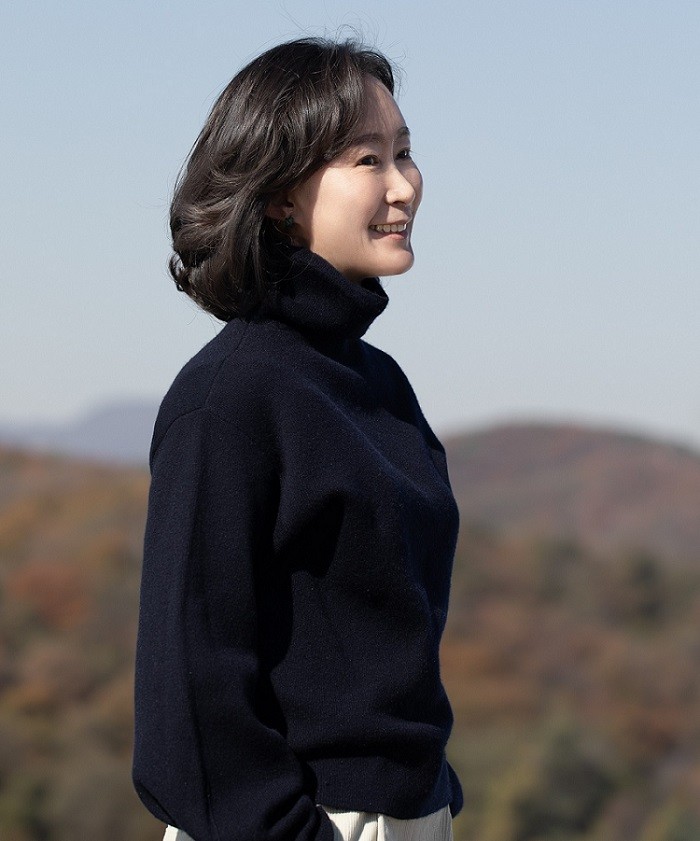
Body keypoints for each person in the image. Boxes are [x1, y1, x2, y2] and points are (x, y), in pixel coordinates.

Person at [132, 36, 462, 841]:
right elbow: (189, 707)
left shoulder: (381, 386)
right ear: (280, 196)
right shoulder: (229, 398)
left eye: (405, 152)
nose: (404, 184)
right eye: (368, 159)